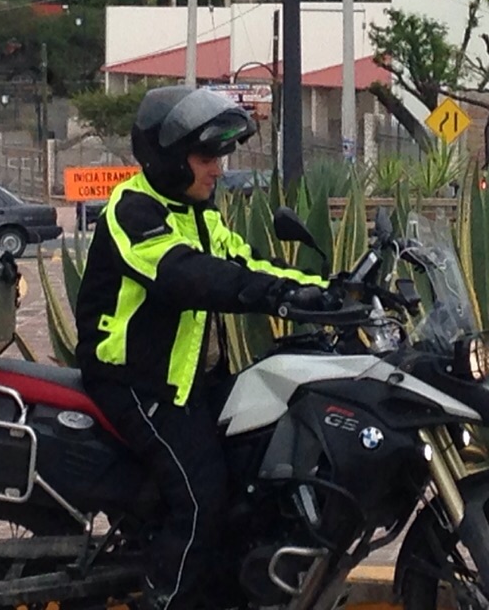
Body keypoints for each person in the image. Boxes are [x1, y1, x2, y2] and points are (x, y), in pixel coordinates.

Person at [75, 85, 327, 610]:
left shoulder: (200, 215)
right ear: (168, 159)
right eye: (206, 157)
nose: (218, 169)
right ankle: (165, 601)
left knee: (246, 487)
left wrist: (325, 290)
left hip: (190, 380)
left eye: (220, 157)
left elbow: (246, 263)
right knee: (202, 498)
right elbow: (187, 275)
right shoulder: (134, 212)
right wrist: (276, 295)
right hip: (139, 382)